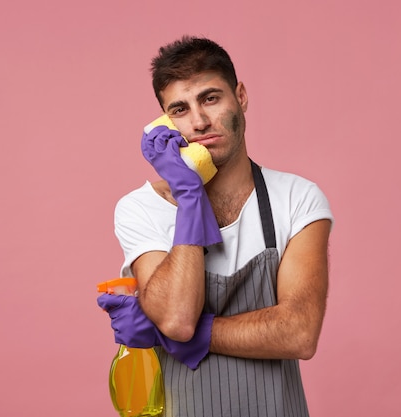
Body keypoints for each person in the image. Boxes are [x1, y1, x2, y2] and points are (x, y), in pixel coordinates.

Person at [98, 35, 333, 417]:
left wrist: (173, 334)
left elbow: (298, 332)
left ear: (240, 96)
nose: (199, 121)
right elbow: (177, 315)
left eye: (210, 98)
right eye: (179, 109)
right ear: (164, 121)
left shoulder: (297, 198)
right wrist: (189, 197)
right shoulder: (140, 208)